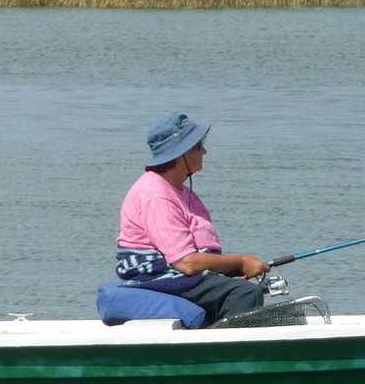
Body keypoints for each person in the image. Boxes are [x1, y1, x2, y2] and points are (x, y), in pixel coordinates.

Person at [115, 112, 269, 323]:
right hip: (156, 277)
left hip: (180, 273)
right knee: (244, 293)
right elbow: (186, 262)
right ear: (181, 154)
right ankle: (226, 353)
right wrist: (242, 261)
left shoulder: (182, 192)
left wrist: (231, 269)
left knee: (242, 288)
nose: (204, 151)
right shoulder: (154, 195)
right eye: (198, 146)